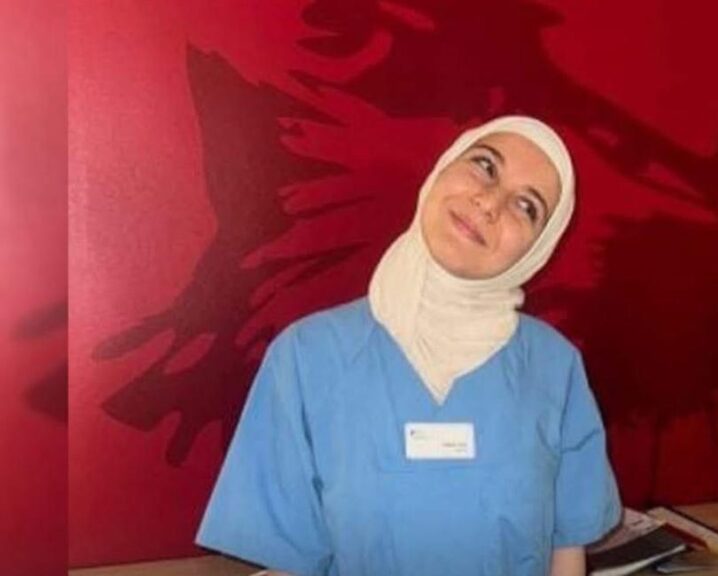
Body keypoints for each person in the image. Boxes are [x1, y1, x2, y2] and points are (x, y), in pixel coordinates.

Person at [196, 115, 622, 576]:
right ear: (442, 168)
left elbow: (566, 550)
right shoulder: (304, 358)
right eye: (485, 166)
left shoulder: (556, 369)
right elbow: (289, 561)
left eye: (526, 206)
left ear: (538, 248)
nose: (489, 203)